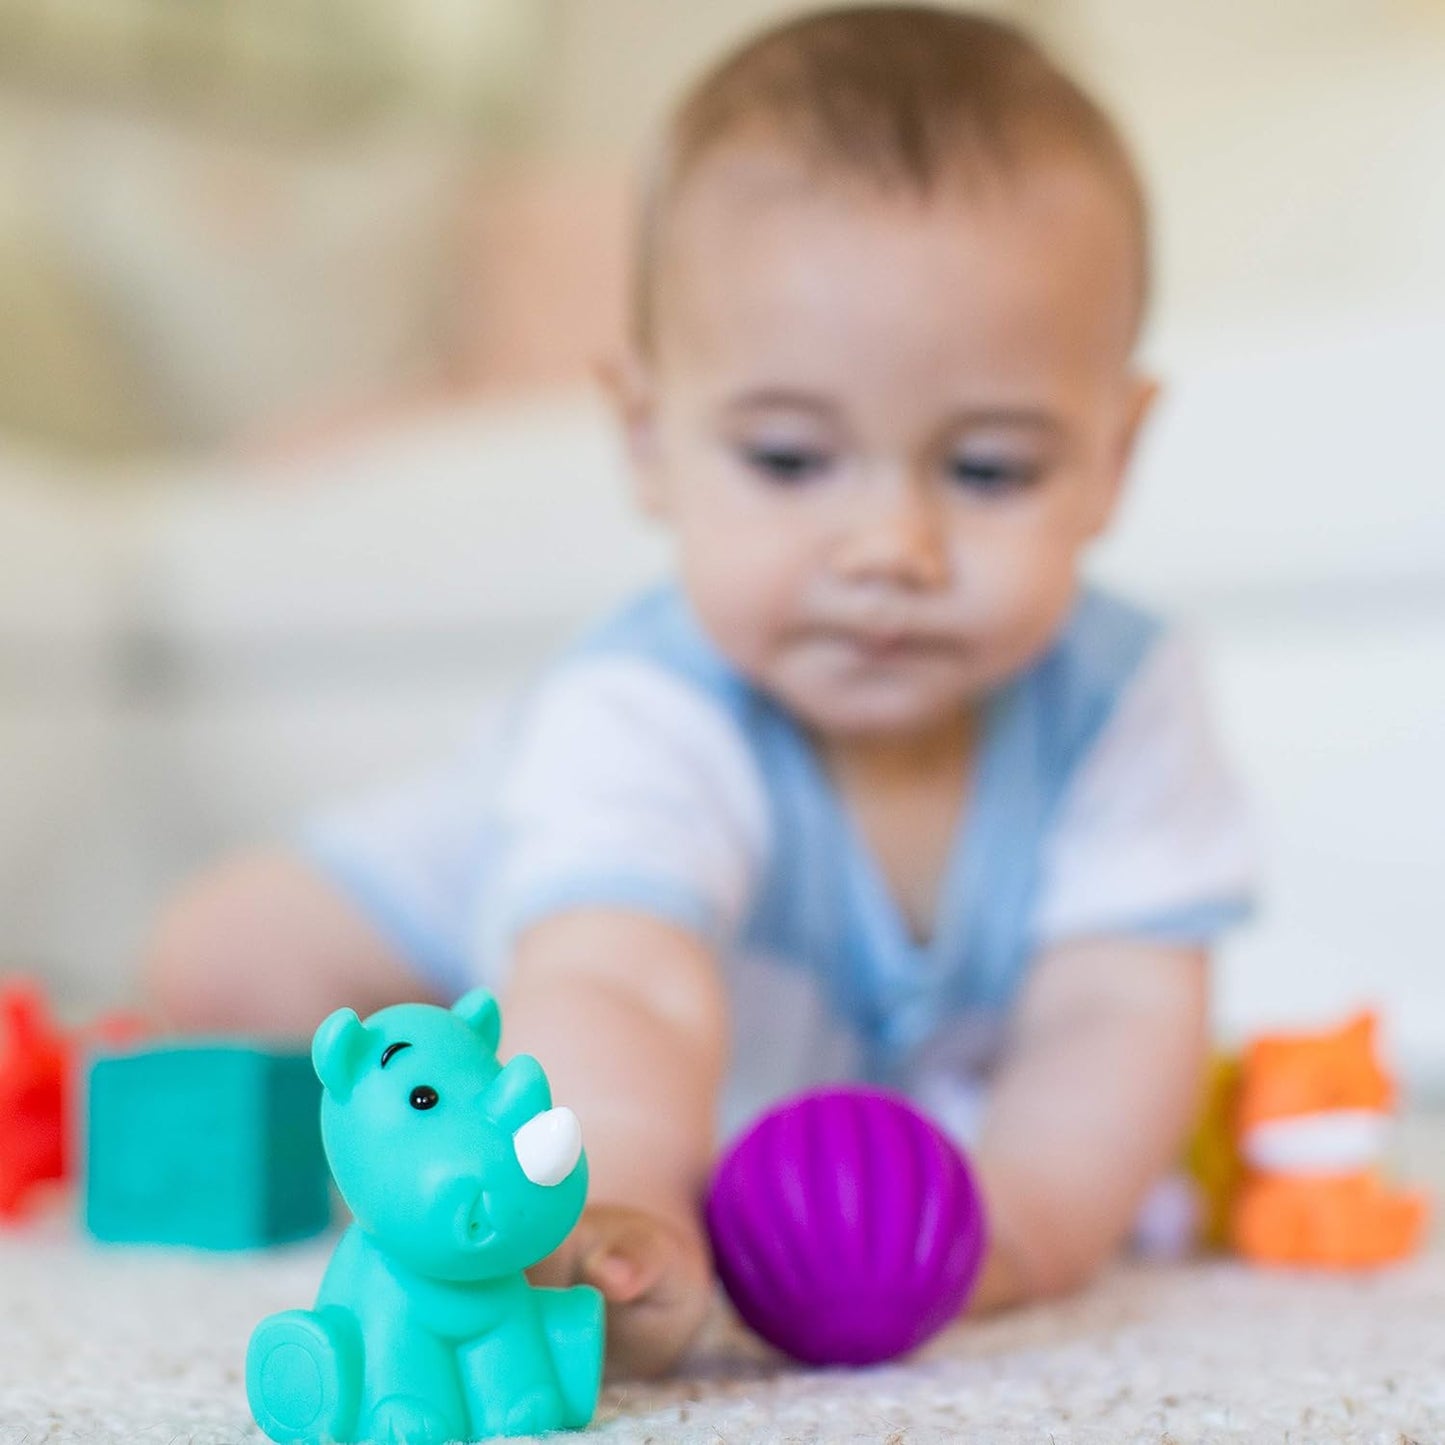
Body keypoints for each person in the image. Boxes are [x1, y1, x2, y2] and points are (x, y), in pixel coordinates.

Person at [143, 6, 1255, 1379]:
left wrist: (1013, 1222)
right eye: (790, 460)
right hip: (522, 871)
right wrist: (621, 1204)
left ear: (1113, 453)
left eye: (986, 472)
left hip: (737, 989)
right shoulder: (642, 704)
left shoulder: (1122, 698)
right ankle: (443, 1036)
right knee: (223, 961)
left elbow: (1119, 1013)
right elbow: (620, 979)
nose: (887, 548)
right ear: (647, 441)